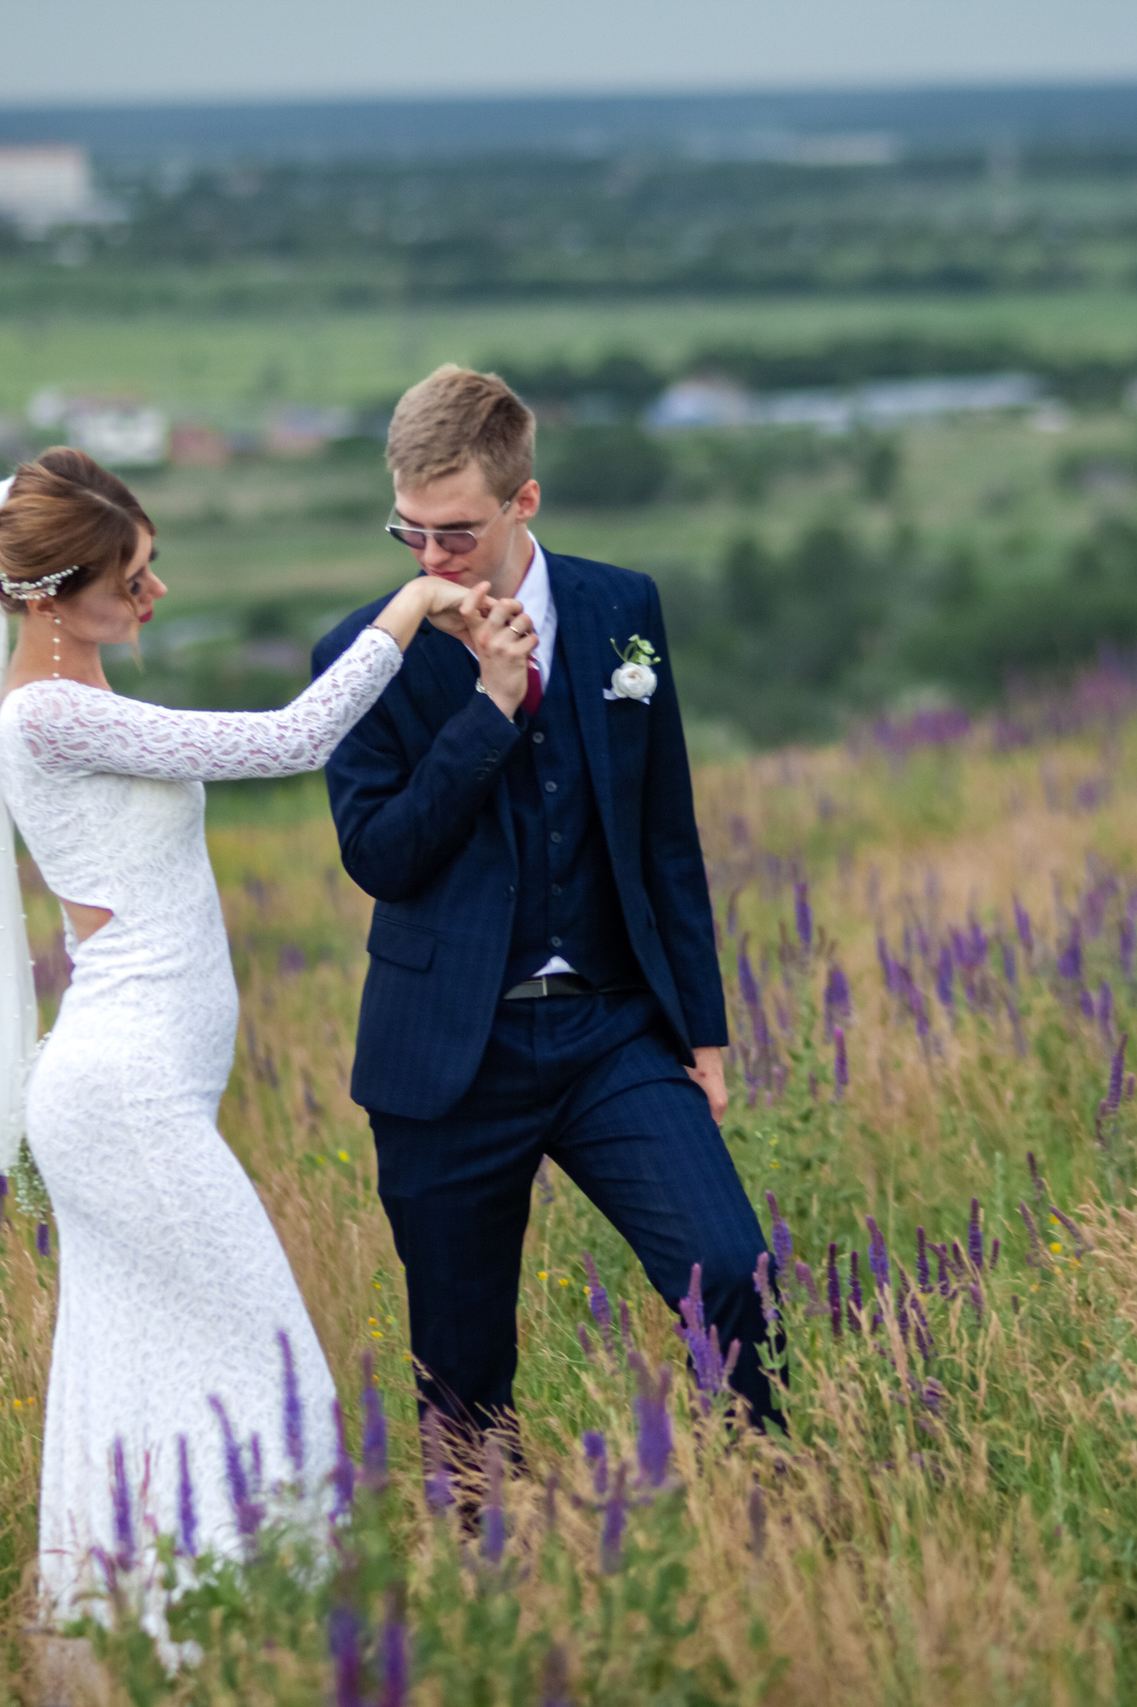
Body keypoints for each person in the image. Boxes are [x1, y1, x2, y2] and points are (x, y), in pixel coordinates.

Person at [0, 448, 496, 1647]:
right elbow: (290, 739)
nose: (154, 594)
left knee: (145, 1377)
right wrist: (412, 605)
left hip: (135, 1088)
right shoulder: (52, 713)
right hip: (124, 1096)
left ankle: (166, 1636)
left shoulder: (80, 706)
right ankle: (290, 1625)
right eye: (133, 576)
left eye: (152, 568)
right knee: (272, 1357)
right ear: (46, 596)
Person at [311, 365, 778, 1458]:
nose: (432, 561)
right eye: (409, 533)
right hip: (447, 1059)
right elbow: (380, 856)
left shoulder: (623, 609)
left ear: (524, 502)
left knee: (728, 1269)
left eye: (457, 532)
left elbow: (667, 832)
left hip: (614, 1029)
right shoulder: (357, 656)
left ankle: (777, 1508)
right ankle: (486, 1574)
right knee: (464, 1375)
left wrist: (701, 1035)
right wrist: (486, 706)